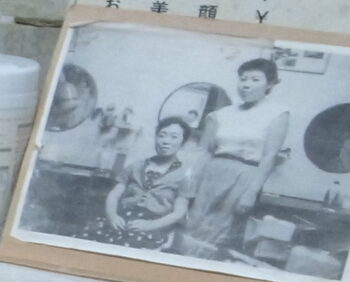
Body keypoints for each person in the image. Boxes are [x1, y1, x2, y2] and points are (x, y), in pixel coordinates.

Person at [178, 56, 290, 261]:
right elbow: (204, 152)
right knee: (193, 223)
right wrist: (190, 184)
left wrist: (251, 192)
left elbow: (269, 156)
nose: (246, 84)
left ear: (270, 84)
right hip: (211, 175)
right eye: (243, 79)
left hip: (245, 178)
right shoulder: (221, 114)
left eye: (255, 79)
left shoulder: (278, 113)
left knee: (222, 233)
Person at [101, 115, 197, 249]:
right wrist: (113, 216)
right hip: (123, 220)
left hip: (156, 226)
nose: (166, 141)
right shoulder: (135, 166)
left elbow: (178, 213)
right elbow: (114, 195)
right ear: (156, 138)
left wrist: (149, 225)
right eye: (162, 135)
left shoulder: (185, 175)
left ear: (183, 142)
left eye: (174, 137)